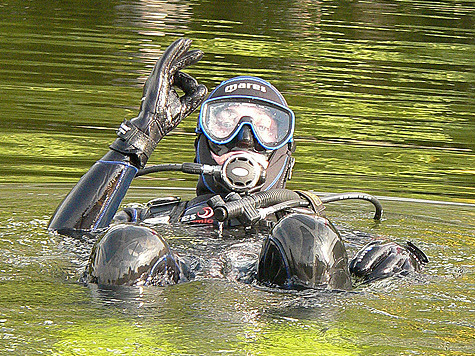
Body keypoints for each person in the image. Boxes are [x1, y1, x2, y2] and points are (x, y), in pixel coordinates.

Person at [48, 38, 428, 289]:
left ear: (284, 155)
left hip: (282, 292)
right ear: (201, 143)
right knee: (125, 244)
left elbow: (381, 253)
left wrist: (401, 255)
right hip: (169, 288)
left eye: (266, 128)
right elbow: (67, 239)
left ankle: (309, 342)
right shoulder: (154, 217)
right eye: (225, 123)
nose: (245, 138)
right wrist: (138, 138)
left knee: (308, 240)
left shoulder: (308, 221)